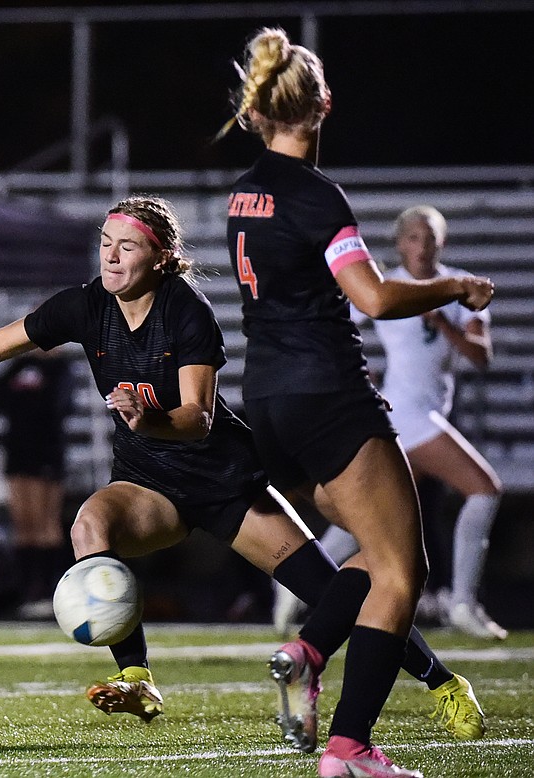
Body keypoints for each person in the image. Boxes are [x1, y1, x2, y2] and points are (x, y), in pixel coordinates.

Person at [0, 194, 484, 757]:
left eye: (126, 247)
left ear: (160, 258)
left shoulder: (186, 312)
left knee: (340, 592)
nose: (110, 257)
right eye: (105, 244)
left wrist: (148, 417)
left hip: (225, 481)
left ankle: (442, 683)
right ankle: (137, 677)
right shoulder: (84, 305)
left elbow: (196, 418)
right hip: (148, 482)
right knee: (90, 524)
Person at [219, 28, 494, 777]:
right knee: (404, 573)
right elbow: (370, 296)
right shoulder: (316, 196)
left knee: (375, 556)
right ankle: (349, 747)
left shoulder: (242, 192)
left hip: (267, 402)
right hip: (328, 396)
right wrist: (453, 287)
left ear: (256, 111)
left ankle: (306, 651)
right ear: (323, 105)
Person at [277, 205, 508, 641]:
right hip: (407, 413)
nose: (423, 247)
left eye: (431, 238)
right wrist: (360, 376)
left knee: (375, 516)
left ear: (443, 243)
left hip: (428, 411)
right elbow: (338, 332)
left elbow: (481, 356)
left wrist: (440, 317)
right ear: (400, 243)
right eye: (414, 238)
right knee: (484, 487)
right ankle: (462, 603)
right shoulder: (388, 288)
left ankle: (295, 585)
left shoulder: (456, 286)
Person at [0, 347, 74, 618]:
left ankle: (51, 591)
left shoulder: (60, 368)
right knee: (23, 523)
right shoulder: (17, 366)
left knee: (45, 523)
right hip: (18, 450)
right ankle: (27, 590)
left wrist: (26, 402)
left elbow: (56, 405)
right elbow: (1, 397)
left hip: (46, 450)